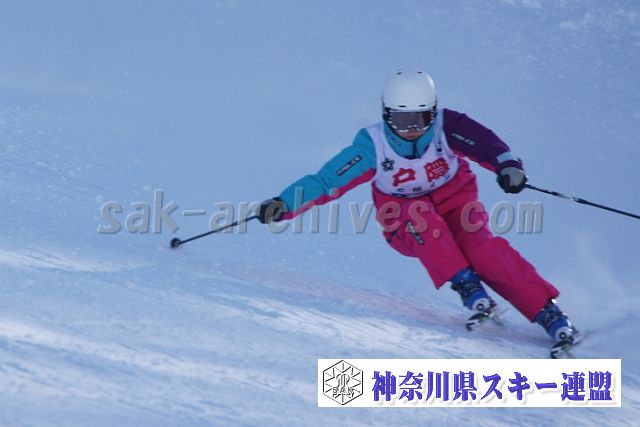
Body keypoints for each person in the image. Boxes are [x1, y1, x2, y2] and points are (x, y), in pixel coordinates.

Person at [257, 68, 576, 356]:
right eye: (400, 121)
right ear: (386, 115)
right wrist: (285, 203)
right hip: (403, 218)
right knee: (419, 214)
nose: (410, 129)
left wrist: (508, 167)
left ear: (432, 113)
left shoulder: (448, 126)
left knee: (482, 248)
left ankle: (548, 312)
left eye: (420, 120)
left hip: (456, 203)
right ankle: (467, 286)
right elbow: (328, 181)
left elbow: (486, 144)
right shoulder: (373, 145)